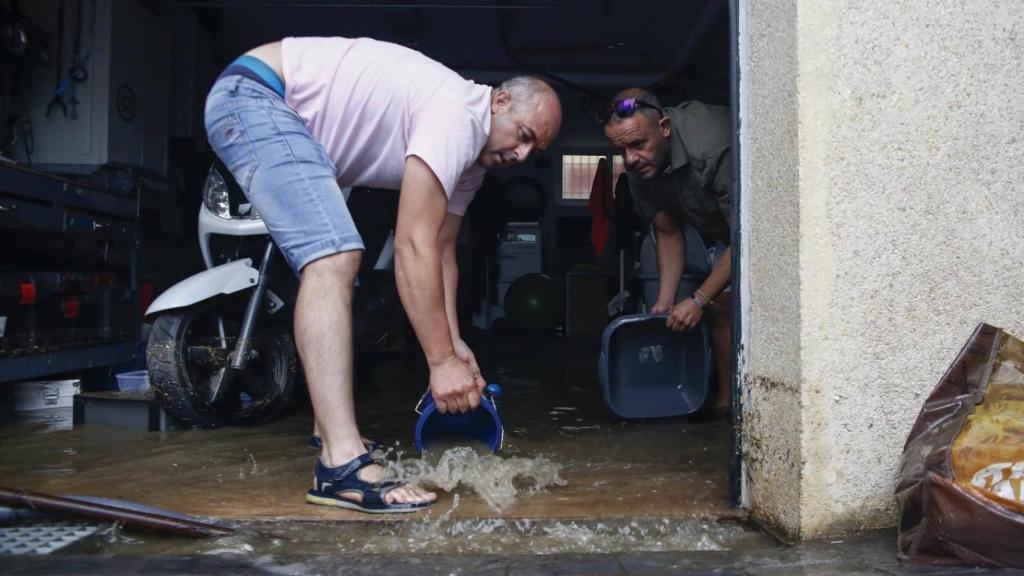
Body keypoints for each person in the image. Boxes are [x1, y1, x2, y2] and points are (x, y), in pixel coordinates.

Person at [204, 37, 561, 513]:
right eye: (523, 134)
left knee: (337, 261)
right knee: (335, 256)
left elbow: (439, 248)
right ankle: (340, 468)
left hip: (279, 113)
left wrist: (454, 345)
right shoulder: (457, 114)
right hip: (256, 94)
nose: (521, 154)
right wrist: (439, 364)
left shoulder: (471, 162)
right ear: (499, 101)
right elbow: (411, 243)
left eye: (533, 150)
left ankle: (329, 430)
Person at [601, 88, 732, 416]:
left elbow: (748, 235)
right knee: (715, 308)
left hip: (762, 225)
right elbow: (668, 229)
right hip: (717, 228)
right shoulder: (639, 169)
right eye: (621, 150)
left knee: (721, 305)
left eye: (637, 145)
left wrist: (699, 299)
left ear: (665, 127)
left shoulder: (713, 145)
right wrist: (664, 300)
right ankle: (722, 403)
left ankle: (728, 408)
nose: (630, 159)